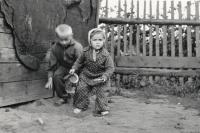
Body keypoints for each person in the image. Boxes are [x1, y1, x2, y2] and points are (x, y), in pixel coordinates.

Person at [69, 28, 115, 116]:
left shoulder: (106, 55)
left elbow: (110, 68)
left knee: (102, 92)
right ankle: (80, 106)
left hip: (100, 78)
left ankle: (102, 108)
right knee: (81, 89)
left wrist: (105, 76)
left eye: (100, 40)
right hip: (86, 76)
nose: (97, 42)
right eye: (95, 40)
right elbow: (79, 61)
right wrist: (74, 68)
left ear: (104, 41)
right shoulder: (85, 52)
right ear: (90, 41)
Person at [45, 24, 83, 104]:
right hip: (64, 67)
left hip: (77, 67)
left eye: (66, 39)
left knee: (81, 80)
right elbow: (52, 64)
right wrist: (50, 78)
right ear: (57, 38)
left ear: (71, 36)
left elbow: (81, 61)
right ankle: (64, 97)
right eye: (61, 40)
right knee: (57, 76)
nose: (64, 42)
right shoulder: (54, 48)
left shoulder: (77, 47)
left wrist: (75, 70)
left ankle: (80, 96)